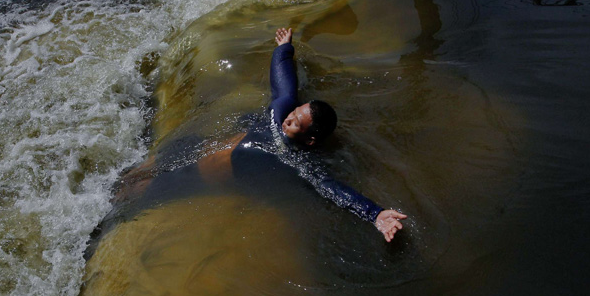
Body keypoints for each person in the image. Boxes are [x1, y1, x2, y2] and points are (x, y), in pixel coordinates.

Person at [119, 27, 407, 242]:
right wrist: (284, 49)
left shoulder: (296, 160)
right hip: (192, 148)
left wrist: (375, 214)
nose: (289, 119)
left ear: (309, 140)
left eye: (296, 123)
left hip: (192, 177)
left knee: (133, 195)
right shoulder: (281, 113)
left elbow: (331, 188)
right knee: (132, 174)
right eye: (294, 113)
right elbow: (283, 84)